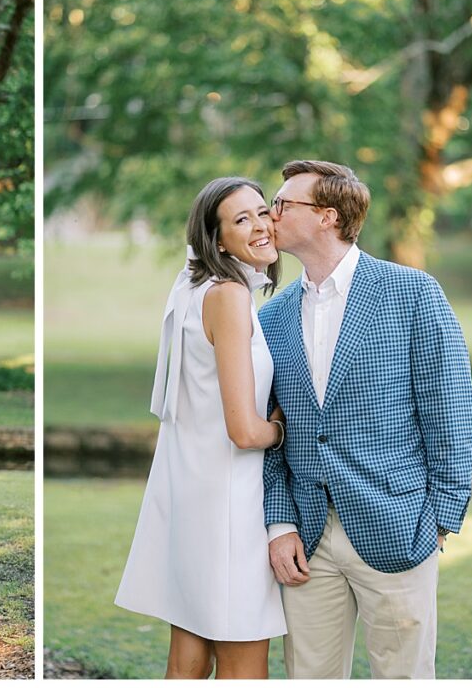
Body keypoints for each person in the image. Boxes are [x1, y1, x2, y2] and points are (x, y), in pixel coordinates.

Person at [260, 160, 472, 679]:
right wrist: (279, 523)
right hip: (306, 540)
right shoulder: (270, 316)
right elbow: (270, 432)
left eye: (285, 203)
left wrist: (440, 518)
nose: (272, 212)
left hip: (400, 526)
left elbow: (451, 410)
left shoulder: (412, 293)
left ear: (327, 217)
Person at [116, 177, 288, 679]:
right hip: (231, 508)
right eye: (241, 220)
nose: (260, 226)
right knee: (244, 665)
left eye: (262, 211)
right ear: (216, 241)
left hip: (193, 495)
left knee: (187, 655)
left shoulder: (198, 290)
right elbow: (244, 431)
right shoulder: (230, 296)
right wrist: (283, 428)